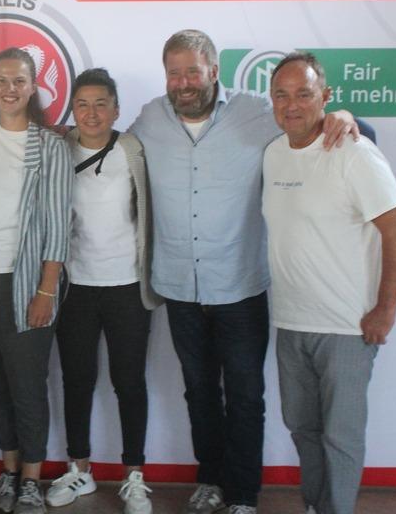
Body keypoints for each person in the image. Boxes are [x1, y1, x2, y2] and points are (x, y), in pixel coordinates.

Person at [128, 30, 358, 514]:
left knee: (247, 396)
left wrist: (344, 116)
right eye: (174, 73)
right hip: (180, 288)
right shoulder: (150, 118)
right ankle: (210, 479)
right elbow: (109, 147)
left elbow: (312, 126)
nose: (184, 83)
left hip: (240, 287)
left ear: (214, 71)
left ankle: (242, 494)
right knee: (199, 393)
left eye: (193, 71)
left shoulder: (257, 112)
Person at [263, 53, 396, 514]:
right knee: (302, 428)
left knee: (341, 436)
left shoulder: (354, 152)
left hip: (348, 326)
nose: (292, 105)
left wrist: (386, 310)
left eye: (304, 94)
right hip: (291, 321)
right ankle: (316, 505)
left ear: (325, 97)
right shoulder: (272, 153)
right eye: (282, 95)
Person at [46, 68, 159, 514]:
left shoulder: (134, 149)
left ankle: (134, 476)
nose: (92, 113)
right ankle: (79, 469)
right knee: (77, 380)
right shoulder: (57, 149)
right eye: (83, 104)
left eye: (101, 104)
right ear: (72, 110)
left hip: (127, 286)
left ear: (116, 109)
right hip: (76, 286)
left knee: (129, 382)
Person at [0, 47, 72, 514]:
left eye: (19, 81)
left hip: (28, 281)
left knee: (27, 385)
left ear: (33, 87)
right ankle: (9, 469)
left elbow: (58, 225)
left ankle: (31, 476)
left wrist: (46, 290)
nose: (10, 89)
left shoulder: (50, 146)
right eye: (1, 81)